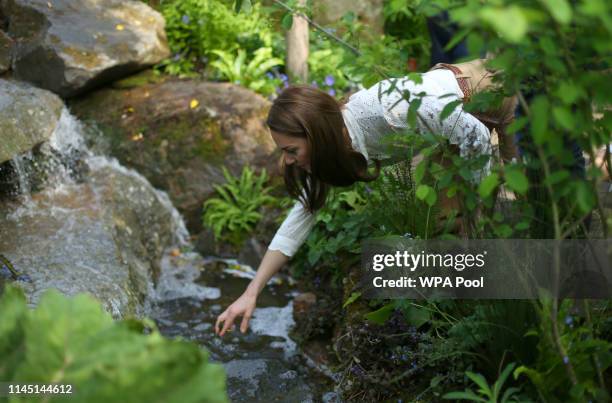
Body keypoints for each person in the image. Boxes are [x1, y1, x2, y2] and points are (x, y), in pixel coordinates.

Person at [214, 59, 517, 336]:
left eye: (291, 150)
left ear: (317, 135)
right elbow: (298, 219)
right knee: (442, 224)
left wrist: (479, 209)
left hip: (484, 93)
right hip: (445, 127)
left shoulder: (386, 112)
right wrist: (252, 291)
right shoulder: (334, 145)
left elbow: (475, 135)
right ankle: (470, 315)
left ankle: (508, 315)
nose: (289, 161)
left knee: (493, 219)